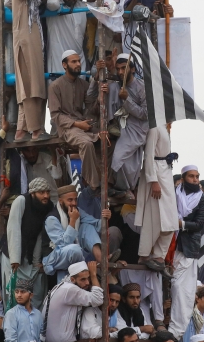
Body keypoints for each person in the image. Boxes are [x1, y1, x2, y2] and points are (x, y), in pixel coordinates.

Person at [47, 51, 104, 191]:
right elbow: (56, 115)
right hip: (67, 128)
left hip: (84, 125)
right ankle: (93, 185)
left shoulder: (83, 85)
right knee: (86, 144)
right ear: (64, 65)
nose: (78, 64)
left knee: (108, 139)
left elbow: (92, 108)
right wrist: (77, 124)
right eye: (74, 62)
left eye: (79, 61)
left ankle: (108, 181)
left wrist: (100, 95)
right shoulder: (55, 86)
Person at [11, 0, 52, 141]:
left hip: (32, 41)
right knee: (31, 85)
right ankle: (36, 130)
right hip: (26, 42)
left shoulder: (30, 1)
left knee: (30, 86)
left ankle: (22, 130)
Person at [170, 165, 204, 339]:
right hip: (169, 243)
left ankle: (177, 330)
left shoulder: (202, 199)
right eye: (191, 177)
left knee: (181, 288)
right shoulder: (173, 194)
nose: (195, 180)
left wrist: (182, 225)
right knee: (169, 285)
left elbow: (201, 223)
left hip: (187, 248)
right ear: (184, 178)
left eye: (197, 176)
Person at [136, 124, 177, 274]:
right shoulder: (155, 127)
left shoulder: (166, 128)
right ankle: (144, 255)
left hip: (166, 172)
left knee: (171, 221)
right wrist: (153, 181)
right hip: (157, 173)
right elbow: (148, 155)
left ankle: (159, 257)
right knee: (154, 217)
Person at [6, 176, 53, 300]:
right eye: (41, 192)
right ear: (32, 193)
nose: (46, 196)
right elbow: (13, 228)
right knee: (16, 294)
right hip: (13, 255)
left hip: (32, 256)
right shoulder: (21, 201)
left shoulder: (48, 206)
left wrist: (37, 261)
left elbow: (41, 234)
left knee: (35, 294)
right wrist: (15, 258)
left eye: (47, 192)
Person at [108, 54, 149, 190]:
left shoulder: (142, 87)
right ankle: (120, 188)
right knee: (119, 159)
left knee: (122, 160)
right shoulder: (115, 87)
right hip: (119, 125)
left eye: (124, 68)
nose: (120, 72)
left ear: (132, 69)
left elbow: (145, 114)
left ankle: (124, 189)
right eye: (118, 69)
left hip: (137, 128)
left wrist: (127, 100)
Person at [42, 184, 91, 275]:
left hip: (70, 255)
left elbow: (93, 221)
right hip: (52, 258)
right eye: (70, 200)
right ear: (60, 201)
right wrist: (72, 220)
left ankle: (101, 257)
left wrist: (106, 216)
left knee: (89, 228)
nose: (74, 203)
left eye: (75, 199)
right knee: (75, 249)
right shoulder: (52, 219)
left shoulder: (77, 211)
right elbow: (63, 243)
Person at [45, 0, 89, 74]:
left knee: (80, 87)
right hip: (59, 59)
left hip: (78, 58)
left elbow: (103, 7)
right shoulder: (56, 6)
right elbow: (52, 3)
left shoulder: (81, 6)